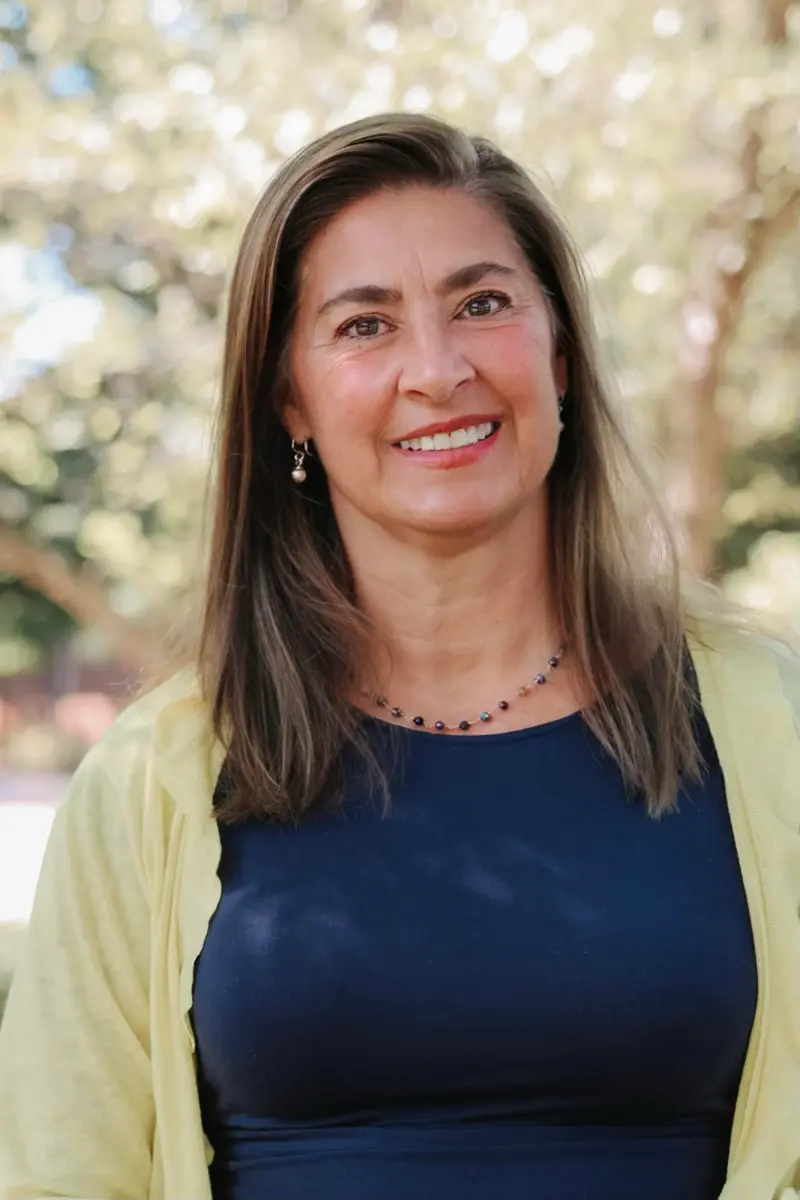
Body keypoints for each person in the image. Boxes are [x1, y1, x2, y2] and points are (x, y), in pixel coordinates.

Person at [0, 112, 798, 1200]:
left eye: (481, 304)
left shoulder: (767, 726)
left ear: (558, 355)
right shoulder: (157, 775)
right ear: (289, 400)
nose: (436, 368)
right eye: (363, 326)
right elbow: (57, 1174)